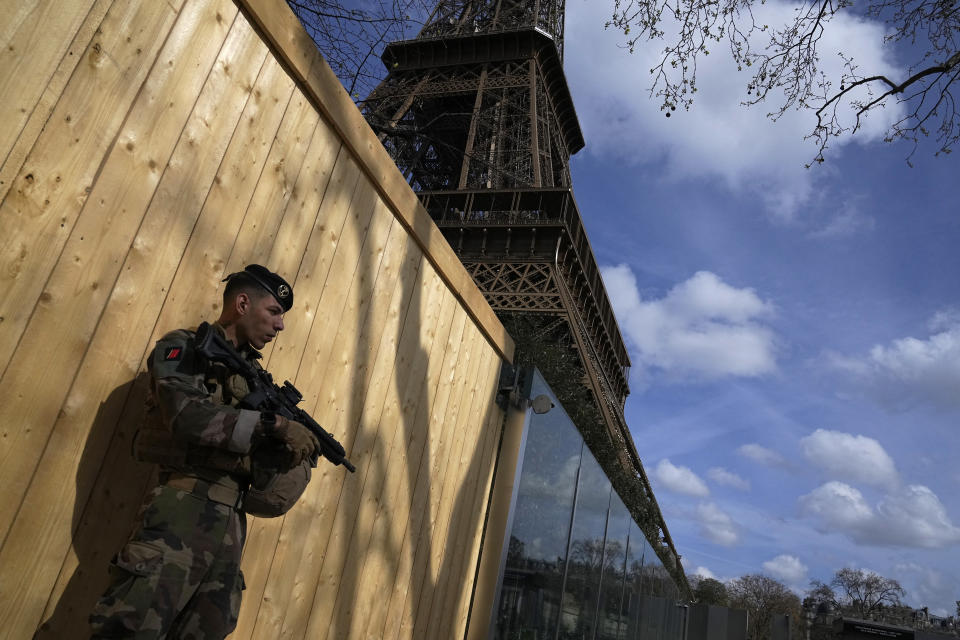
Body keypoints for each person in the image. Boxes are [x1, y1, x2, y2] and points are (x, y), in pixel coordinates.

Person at [89, 264, 319, 639]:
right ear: (242, 303)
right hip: (181, 509)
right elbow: (186, 416)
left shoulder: (254, 379)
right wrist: (272, 426)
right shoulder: (185, 348)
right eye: (274, 312)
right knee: (131, 628)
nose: (280, 326)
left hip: (230, 525)